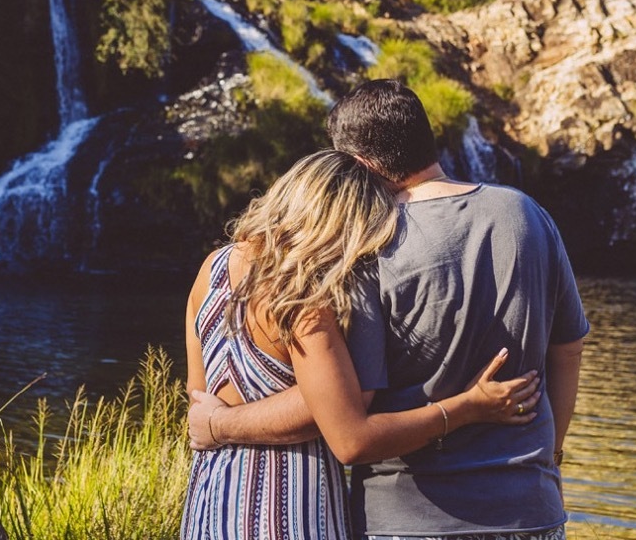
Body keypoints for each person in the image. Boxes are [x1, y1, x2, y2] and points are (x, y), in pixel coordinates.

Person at [189, 79, 589, 540]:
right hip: (531, 509)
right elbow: (569, 349)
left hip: (407, 517)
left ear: (355, 165)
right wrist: (549, 459)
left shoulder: (360, 245)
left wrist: (220, 424)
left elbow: (343, 412)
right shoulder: (528, 213)